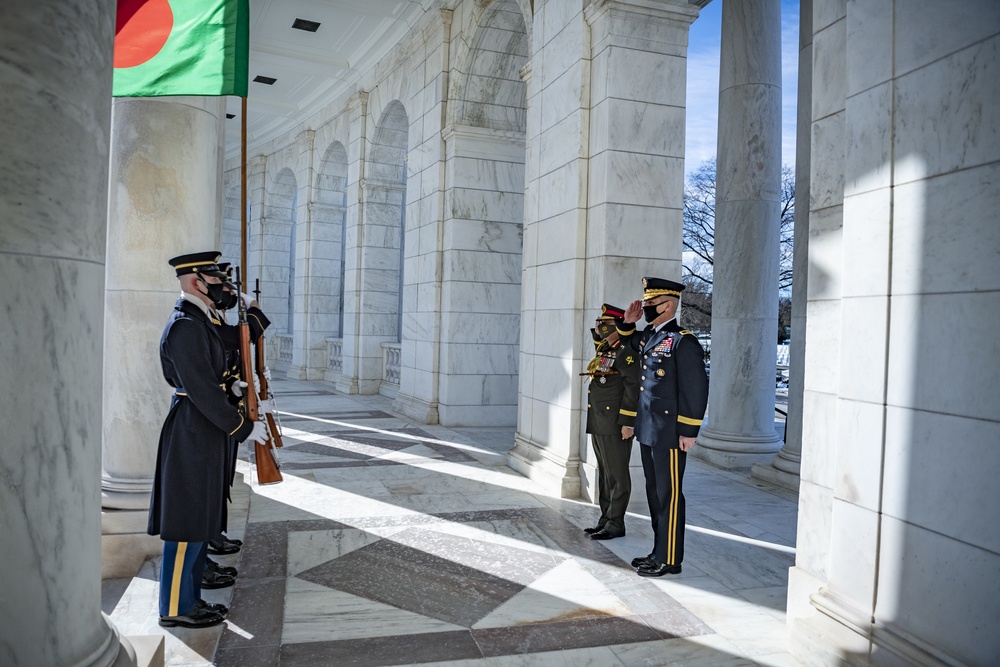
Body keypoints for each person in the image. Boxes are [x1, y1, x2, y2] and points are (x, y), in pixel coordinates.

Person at [148, 251, 269, 628]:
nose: (223, 286)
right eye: (215, 280)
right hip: (192, 430)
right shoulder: (185, 326)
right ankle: (175, 607)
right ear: (195, 282)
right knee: (186, 520)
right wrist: (244, 428)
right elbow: (201, 390)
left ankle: (192, 596)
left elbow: (224, 361)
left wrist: (233, 385)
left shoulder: (200, 321)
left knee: (200, 512)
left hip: (206, 428)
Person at [618, 277, 708, 577]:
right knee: (655, 493)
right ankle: (658, 550)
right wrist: (628, 323)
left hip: (669, 432)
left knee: (668, 494)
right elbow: (630, 342)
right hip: (649, 429)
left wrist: (689, 430)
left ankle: (670, 558)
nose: (645, 309)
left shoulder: (683, 341)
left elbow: (695, 390)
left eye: (650, 305)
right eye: (644, 305)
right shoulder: (651, 335)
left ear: (668, 305)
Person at [582, 304, 639, 540]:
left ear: (617, 325)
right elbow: (601, 348)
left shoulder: (627, 350)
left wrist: (628, 422)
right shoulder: (608, 349)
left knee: (617, 474)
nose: (601, 328)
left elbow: (633, 387)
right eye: (599, 323)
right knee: (605, 473)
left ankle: (616, 523)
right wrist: (597, 334)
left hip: (616, 423)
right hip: (600, 419)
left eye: (605, 324)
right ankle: (605, 518)